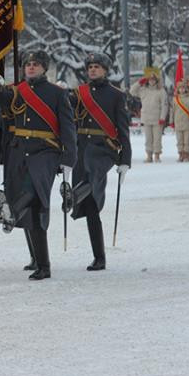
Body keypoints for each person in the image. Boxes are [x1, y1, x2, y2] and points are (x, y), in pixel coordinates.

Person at [0, 50, 77, 280]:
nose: (30, 67)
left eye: (36, 64)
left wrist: (69, 158)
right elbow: (4, 113)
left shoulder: (57, 94)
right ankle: (43, 264)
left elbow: (68, 128)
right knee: (35, 210)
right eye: (27, 64)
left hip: (45, 151)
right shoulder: (16, 91)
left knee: (33, 192)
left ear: (44, 68)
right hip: (19, 150)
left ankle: (11, 213)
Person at [69, 53, 131, 271]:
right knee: (90, 207)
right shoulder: (79, 93)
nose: (93, 70)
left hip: (104, 149)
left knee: (93, 174)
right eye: (90, 67)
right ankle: (99, 256)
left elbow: (123, 129)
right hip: (81, 147)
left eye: (97, 67)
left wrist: (125, 160)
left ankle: (75, 193)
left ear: (106, 69)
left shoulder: (116, 95)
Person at [130, 71, 168, 163]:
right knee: (148, 139)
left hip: (157, 118)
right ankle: (149, 156)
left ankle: (157, 156)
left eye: (153, 79)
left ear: (156, 80)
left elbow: (164, 105)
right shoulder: (143, 90)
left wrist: (162, 117)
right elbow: (132, 91)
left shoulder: (161, 91)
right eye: (150, 79)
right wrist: (139, 82)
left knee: (157, 138)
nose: (152, 81)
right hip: (146, 118)